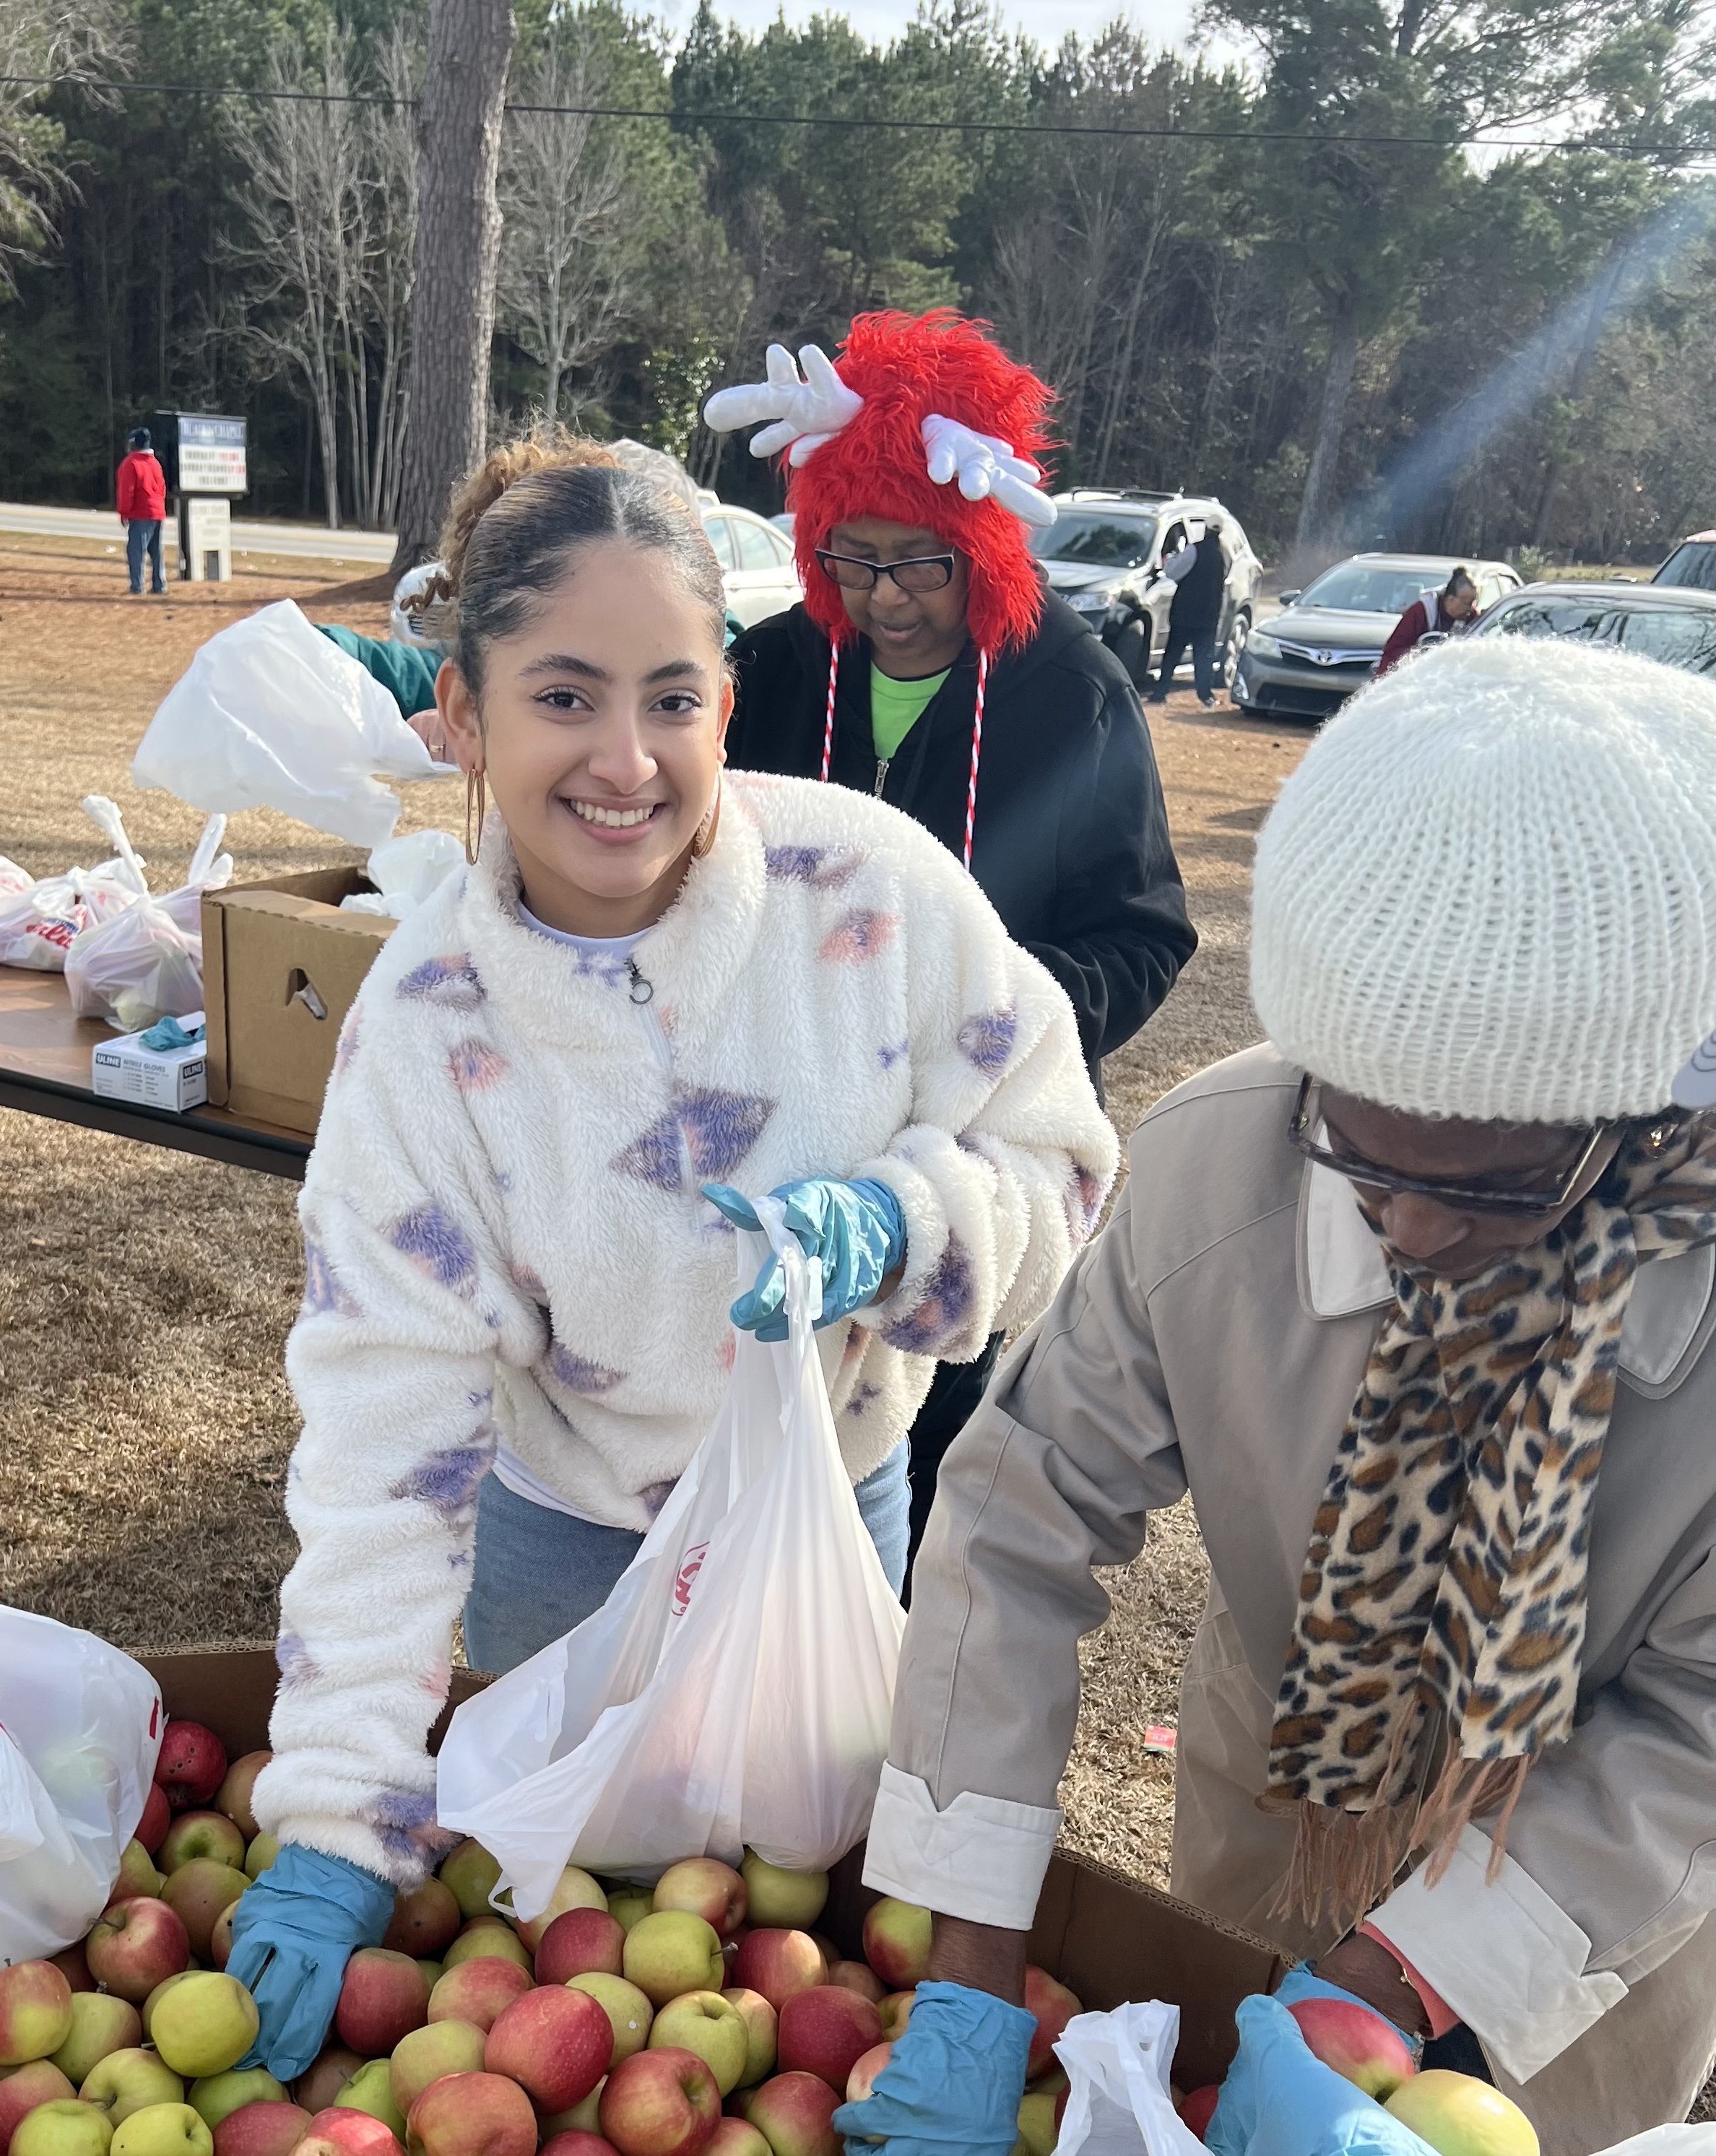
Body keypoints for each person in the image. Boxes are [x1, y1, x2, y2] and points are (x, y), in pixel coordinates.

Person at [225, 434, 1117, 2082]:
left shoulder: (876, 897)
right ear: (461, 712)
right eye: (562, 696)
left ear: (728, 698)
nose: (624, 760)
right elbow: (382, 1429)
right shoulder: (427, 1033)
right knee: (585, 1915)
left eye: (672, 696)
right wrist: (345, 1805)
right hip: (561, 1560)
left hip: (829, 1526)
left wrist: (902, 1227)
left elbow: (1056, 1161)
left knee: (802, 1925)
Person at [841, 636, 1716, 2154]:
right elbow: (1014, 1512)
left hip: (1587, 1912)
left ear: (1647, 1106)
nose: (1417, 1224)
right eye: (1362, 1153)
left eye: (1506, 1179)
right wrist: (968, 1958)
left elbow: (1695, 1728)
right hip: (1280, 1820)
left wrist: (1387, 1987)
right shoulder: (1214, 1171)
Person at [701, 310, 1196, 1570]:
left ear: (979, 545)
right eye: (851, 560)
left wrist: (988, 1022)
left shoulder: (1070, 694)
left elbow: (1142, 934)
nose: (886, 599)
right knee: (743, 1392)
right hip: (774, 1107)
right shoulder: (771, 669)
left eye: (920, 564)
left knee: (912, 1440)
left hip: (959, 1147)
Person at [1148, 513, 1228, 707]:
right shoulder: (1225, 555)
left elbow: (1172, 572)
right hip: (1209, 615)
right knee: (1204, 657)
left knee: (1173, 654)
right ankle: (1205, 695)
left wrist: (1171, 558)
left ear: (1206, 529)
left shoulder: (1194, 550)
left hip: (1185, 613)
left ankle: (1161, 692)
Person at [1374, 562, 1479, 675]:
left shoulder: (1473, 617)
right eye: (1467, 603)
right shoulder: (1421, 611)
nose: (1470, 608)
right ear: (1450, 599)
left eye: (1473, 602)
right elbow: (1393, 651)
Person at [116, 426, 167, 596]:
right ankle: (159, 585)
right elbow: (162, 488)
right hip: (157, 511)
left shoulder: (131, 463)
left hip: (141, 513)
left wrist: (124, 511)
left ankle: (137, 586)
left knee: (136, 551)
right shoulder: (155, 463)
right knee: (156, 551)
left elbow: (127, 490)